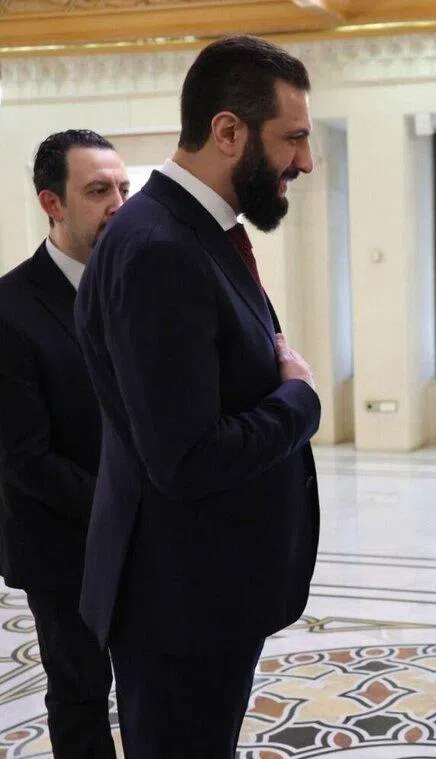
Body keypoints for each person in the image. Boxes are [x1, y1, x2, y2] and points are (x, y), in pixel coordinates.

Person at [73, 35, 321, 757]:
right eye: (293, 138)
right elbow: (186, 458)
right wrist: (299, 400)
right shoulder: (161, 250)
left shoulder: (189, 233)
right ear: (228, 132)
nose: (305, 161)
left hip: (199, 594)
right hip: (179, 606)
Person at [0, 129, 128, 759]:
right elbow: (24, 458)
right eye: (99, 191)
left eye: (124, 189)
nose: (119, 205)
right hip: (63, 544)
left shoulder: (139, 286)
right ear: (52, 203)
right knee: (80, 695)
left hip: (149, 539)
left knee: (157, 686)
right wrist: (122, 511)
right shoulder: (9, 308)